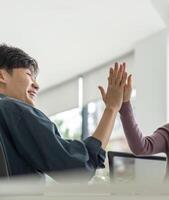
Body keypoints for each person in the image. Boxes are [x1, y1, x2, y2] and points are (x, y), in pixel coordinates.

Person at [0, 44, 127, 181]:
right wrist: (111, 108)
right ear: (2, 76)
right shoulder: (14, 110)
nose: (37, 86)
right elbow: (76, 168)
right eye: (29, 75)